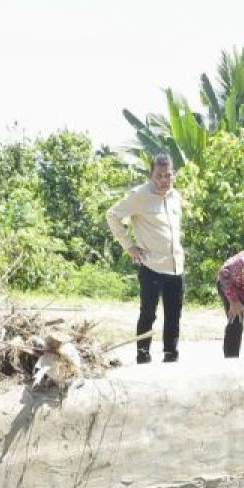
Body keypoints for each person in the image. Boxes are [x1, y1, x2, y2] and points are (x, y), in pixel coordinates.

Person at [106, 154, 185, 364]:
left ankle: (171, 353)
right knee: (148, 313)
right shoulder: (139, 195)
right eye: (159, 176)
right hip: (151, 265)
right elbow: (112, 215)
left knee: (174, 314)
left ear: (173, 175)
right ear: (151, 175)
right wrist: (129, 246)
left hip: (175, 265)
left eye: (168, 175)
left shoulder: (175, 196)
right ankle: (143, 353)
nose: (163, 180)